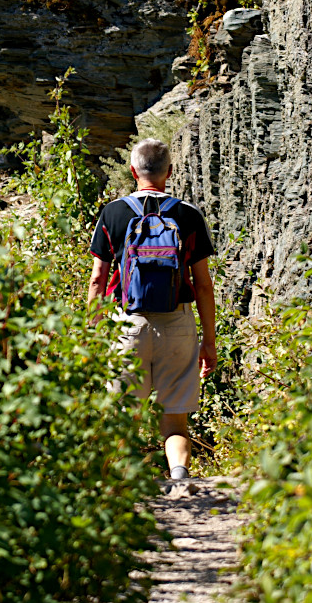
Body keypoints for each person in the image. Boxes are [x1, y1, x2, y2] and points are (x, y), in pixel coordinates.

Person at [88, 137, 217, 480]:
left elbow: (98, 280)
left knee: (122, 417)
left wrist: (94, 333)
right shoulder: (187, 214)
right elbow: (203, 284)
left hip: (126, 324)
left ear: (133, 171)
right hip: (177, 324)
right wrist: (209, 341)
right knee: (174, 419)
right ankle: (179, 479)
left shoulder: (113, 213)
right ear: (170, 172)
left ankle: (123, 489)